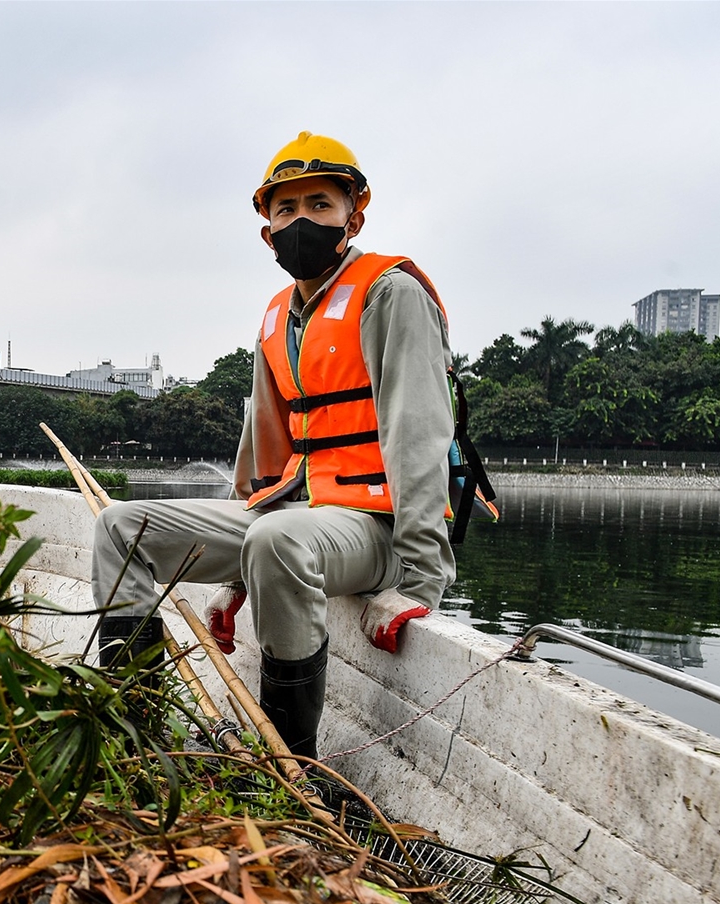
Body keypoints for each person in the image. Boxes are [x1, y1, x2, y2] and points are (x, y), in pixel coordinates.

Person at [92, 131, 477, 760]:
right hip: (294, 520)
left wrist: (419, 581)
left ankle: (287, 761)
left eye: (320, 205)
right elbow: (265, 451)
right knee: (119, 527)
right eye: (286, 209)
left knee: (275, 541)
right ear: (267, 231)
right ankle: (133, 736)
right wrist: (238, 581)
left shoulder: (389, 293)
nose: (303, 221)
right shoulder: (278, 316)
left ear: (354, 215)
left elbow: (418, 438)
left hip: (373, 527)